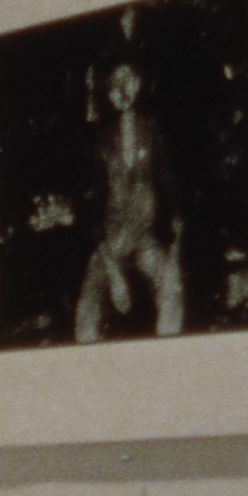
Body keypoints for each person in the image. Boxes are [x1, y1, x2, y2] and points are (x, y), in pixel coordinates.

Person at [71, 46, 187, 343]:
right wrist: (113, 273)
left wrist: (175, 256)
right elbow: (93, 214)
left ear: (140, 83)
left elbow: (173, 197)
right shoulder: (100, 141)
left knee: (172, 288)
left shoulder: (153, 133)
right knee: (87, 312)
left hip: (147, 241)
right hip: (111, 245)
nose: (122, 90)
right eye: (115, 84)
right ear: (108, 91)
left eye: (129, 79)